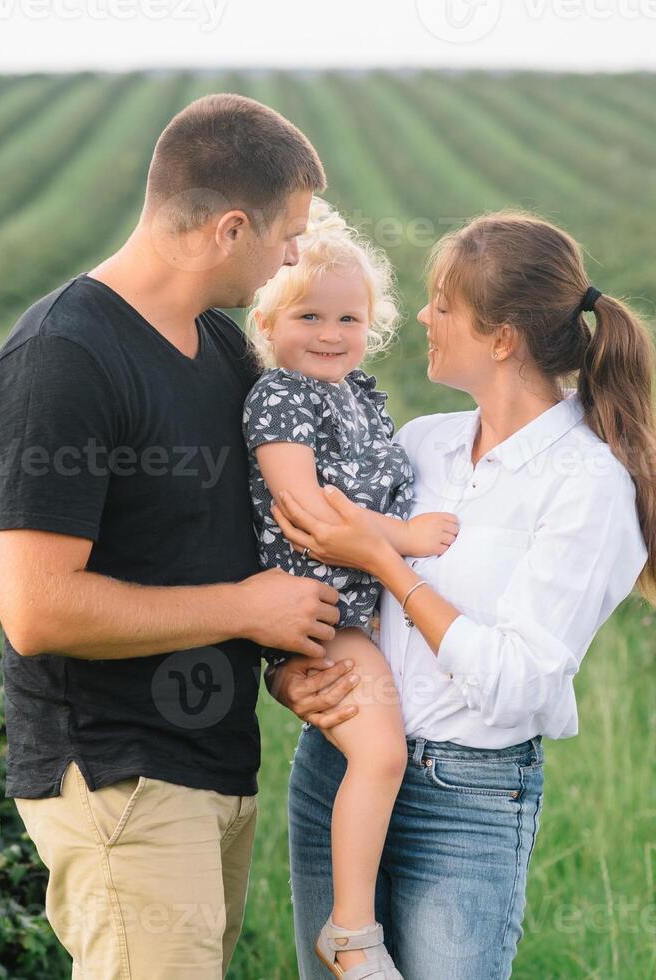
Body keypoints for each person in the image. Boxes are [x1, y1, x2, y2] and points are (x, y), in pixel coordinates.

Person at [266, 210, 656, 978]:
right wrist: (287, 670)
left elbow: (517, 683)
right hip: (339, 764)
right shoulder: (423, 441)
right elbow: (325, 572)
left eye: (443, 304)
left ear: (502, 338)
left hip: (463, 803)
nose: (424, 317)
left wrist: (392, 564)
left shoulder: (587, 485)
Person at [0, 93, 351, 979]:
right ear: (231, 230)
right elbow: (36, 610)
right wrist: (247, 608)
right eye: (288, 233)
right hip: (121, 770)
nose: (296, 255)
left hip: (213, 760)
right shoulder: (63, 358)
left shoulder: (221, 350)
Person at [241, 197, 458, 978]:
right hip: (319, 609)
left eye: (348, 319)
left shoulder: (361, 395)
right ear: (268, 323)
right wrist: (401, 539)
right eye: (309, 317)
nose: (330, 335)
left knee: (377, 754)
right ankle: (352, 929)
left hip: (352, 609)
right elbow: (304, 505)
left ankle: (356, 918)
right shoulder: (281, 397)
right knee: (382, 753)